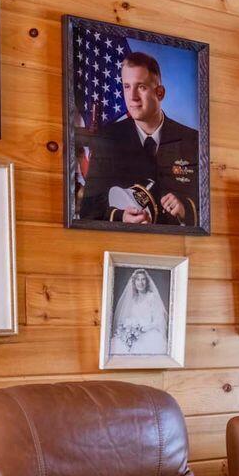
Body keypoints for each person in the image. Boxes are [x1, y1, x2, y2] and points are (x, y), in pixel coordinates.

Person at [76, 50, 200, 228]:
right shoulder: (108, 139)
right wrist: (121, 217)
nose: (132, 97)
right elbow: (89, 209)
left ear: (160, 93)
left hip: (176, 248)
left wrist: (184, 209)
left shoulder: (192, 140)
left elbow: (206, 208)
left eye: (141, 87)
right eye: (127, 86)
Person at [109, 268, 170, 357]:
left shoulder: (151, 297)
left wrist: (144, 328)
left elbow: (159, 319)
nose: (140, 283)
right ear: (134, 282)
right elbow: (130, 317)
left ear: (147, 282)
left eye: (143, 279)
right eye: (137, 279)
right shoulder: (133, 299)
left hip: (149, 332)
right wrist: (129, 328)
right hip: (134, 332)